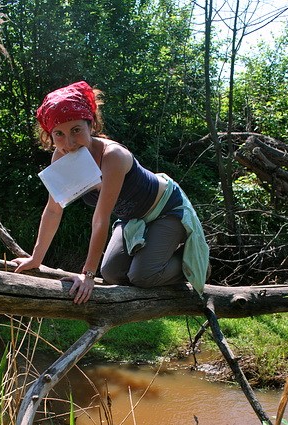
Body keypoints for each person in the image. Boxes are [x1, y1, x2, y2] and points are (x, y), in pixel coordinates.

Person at [13, 81, 209, 304]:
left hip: (166, 209)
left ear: (91, 125)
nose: (69, 143)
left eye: (76, 130)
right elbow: (53, 210)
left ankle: (193, 264)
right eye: (59, 134)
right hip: (132, 218)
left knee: (142, 276)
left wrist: (87, 275)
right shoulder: (60, 157)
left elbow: (100, 218)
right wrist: (35, 259)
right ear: (49, 135)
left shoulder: (112, 156)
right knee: (112, 274)